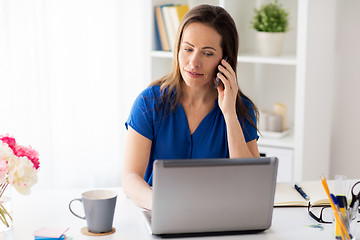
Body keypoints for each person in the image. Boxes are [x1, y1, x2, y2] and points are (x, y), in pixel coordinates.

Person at [122, 4, 260, 210]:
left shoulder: (240, 109)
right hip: (159, 211)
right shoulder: (149, 102)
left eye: (207, 53)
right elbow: (130, 177)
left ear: (225, 60)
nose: (193, 62)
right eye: (188, 49)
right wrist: (161, 205)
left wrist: (229, 114)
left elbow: (252, 182)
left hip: (217, 214)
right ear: (178, 49)